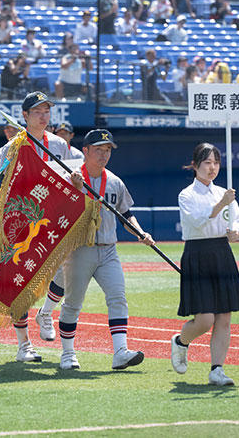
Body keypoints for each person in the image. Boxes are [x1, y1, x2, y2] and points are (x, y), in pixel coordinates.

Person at [59, 129, 155, 370]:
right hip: (79, 249)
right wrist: (73, 189)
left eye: (108, 150)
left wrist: (140, 232)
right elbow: (57, 212)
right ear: (86, 151)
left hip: (109, 250)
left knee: (118, 297)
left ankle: (120, 352)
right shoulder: (70, 178)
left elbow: (126, 214)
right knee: (72, 303)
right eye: (99, 150)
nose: (104, 155)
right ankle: (68, 354)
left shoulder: (114, 181)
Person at [0, 92, 73, 358]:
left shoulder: (60, 145)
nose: (43, 115)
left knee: (65, 274)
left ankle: (46, 313)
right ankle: (23, 344)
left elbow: (72, 176)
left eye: (46, 111)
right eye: (37, 111)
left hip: (54, 219)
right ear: (25, 116)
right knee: (21, 281)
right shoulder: (12, 147)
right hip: (22, 221)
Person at [172, 143, 239, 386]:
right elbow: (195, 223)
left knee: (224, 316)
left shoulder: (225, 193)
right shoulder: (187, 195)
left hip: (222, 253)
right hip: (198, 253)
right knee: (205, 319)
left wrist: (237, 233)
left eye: (216, 163)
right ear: (195, 165)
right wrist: (221, 204)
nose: (212, 168)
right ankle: (181, 341)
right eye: (207, 163)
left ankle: (217, 369)